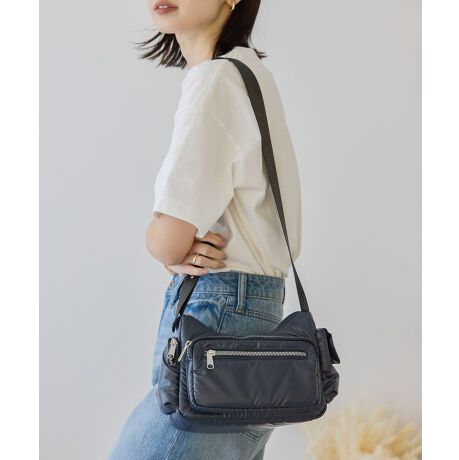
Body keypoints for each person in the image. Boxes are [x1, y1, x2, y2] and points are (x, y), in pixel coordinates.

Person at [108, 1, 302, 459]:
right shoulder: (250, 76)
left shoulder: (215, 81)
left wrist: (161, 243)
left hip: (220, 318)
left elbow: (169, 239)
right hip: (256, 317)